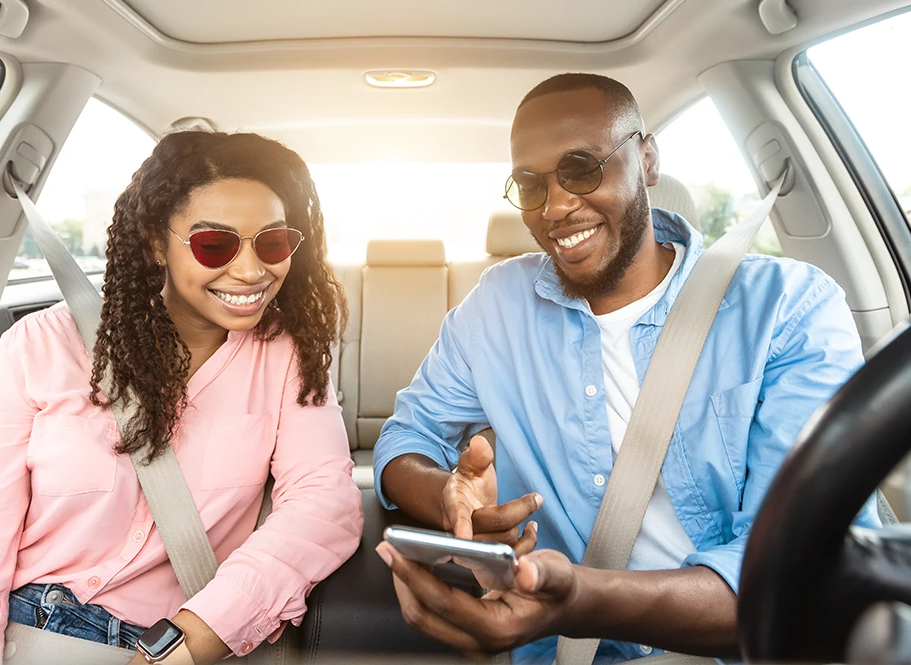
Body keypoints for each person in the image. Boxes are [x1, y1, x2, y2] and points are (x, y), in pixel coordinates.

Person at [371, 73, 881, 664]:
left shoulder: (787, 309)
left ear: (647, 159)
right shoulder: (494, 309)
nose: (556, 206)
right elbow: (406, 438)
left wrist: (581, 598)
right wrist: (449, 499)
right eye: (530, 185)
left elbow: (799, 567)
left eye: (583, 168)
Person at [0, 130, 363, 665]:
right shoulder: (41, 347)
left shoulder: (286, 355)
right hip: (19, 631)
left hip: (169, 644)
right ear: (155, 242)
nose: (250, 270)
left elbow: (323, 505)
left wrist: (191, 639)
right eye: (214, 244)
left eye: (273, 243)